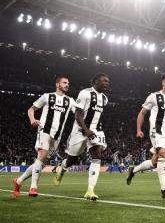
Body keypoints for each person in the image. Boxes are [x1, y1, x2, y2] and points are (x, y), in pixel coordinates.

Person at [12, 76, 75, 197]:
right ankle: (33, 187)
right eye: (64, 82)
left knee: (41, 161)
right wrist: (32, 120)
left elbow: (78, 113)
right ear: (57, 84)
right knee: (41, 156)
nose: (67, 84)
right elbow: (31, 109)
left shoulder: (70, 101)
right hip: (44, 130)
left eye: (68, 83)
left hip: (57, 135)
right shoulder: (47, 96)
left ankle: (18, 181)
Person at [55, 73, 110, 201]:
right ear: (96, 81)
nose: (107, 83)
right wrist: (86, 130)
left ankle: (90, 190)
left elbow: (97, 115)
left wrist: (94, 131)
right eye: (104, 81)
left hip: (96, 130)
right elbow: (78, 115)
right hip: (79, 131)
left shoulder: (105, 99)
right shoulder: (85, 94)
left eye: (108, 81)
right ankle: (62, 169)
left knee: (97, 154)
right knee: (71, 160)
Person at [126, 72, 165, 200]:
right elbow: (142, 113)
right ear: (163, 82)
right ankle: (164, 190)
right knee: (163, 153)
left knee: (154, 161)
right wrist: (139, 129)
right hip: (156, 131)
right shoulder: (154, 96)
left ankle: (133, 170)